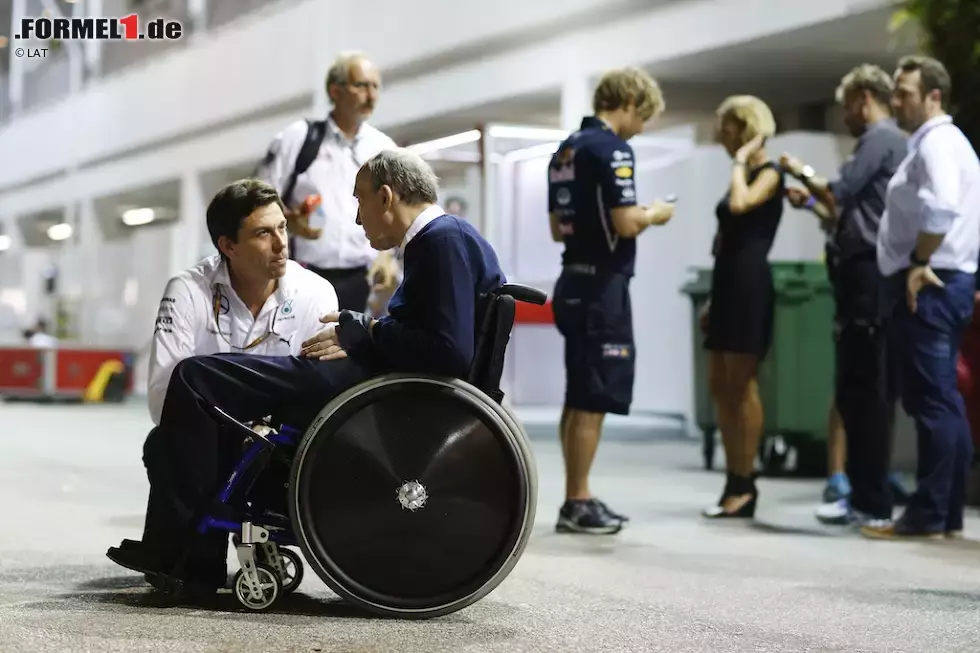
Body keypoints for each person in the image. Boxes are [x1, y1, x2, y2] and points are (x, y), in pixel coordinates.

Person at [107, 148, 506, 591]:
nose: (356, 218)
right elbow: (435, 338)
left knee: (194, 378)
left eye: (359, 200)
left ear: (387, 197)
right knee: (189, 402)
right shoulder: (443, 240)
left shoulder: (441, 241)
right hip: (379, 380)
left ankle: (175, 550)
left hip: (382, 389)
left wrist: (366, 330)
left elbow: (448, 351)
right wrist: (369, 333)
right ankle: (185, 552)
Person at [779, 63, 909, 528]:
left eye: (847, 105)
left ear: (863, 99)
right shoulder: (883, 143)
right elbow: (842, 210)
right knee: (856, 390)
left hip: (869, 279)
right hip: (858, 278)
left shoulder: (880, 139)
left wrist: (802, 171)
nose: (845, 116)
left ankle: (872, 502)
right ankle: (863, 496)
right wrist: (812, 203)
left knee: (867, 390)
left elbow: (840, 190)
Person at [548, 67, 674, 535]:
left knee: (577, 389)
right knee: (593, 395)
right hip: (603, 287)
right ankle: (578, 500)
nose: (642, 127)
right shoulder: (614, 150)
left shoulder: (564, 150)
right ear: (629, 102)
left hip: (572, 280)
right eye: (644, 116)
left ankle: (575, 494)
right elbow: (624, 223)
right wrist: (656, 213)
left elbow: (555, 227)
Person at [861, 55, 980, 540]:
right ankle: (944, 513)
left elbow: (943, 208)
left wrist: (918, 262)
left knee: (932, 401)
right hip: (947, 280)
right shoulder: (943, 143)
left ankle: (929, 515)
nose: (896, 100)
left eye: (905, 91)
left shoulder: (937, 144)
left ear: (934, 96)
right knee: (942, 401)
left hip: (932, 283)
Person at [147, 179, 339, 426]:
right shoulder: (188, 291)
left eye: (282, 227)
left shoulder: (316, 291)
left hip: (283, 440)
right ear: (228, 246)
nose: (281, 244)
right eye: (263, 233)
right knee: (159, 446)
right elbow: (163, 400)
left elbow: (322, 393)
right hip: (210, 434)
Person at [255, 51, 400, 312]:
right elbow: (258, 200)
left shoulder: (383, 148)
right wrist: (289, 222)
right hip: (303, 273)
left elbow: (396, 212)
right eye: (361, 85)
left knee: (348, 350)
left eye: (376, 86)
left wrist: (387, 255)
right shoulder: (299, 139)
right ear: (335, 91)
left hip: (361, 279)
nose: (371, 94)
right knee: (304, 348)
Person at [701, 95, 784, 519]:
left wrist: (739, 164)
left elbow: (740, 205)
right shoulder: (745, 172)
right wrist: (714, 298)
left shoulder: (769, 173)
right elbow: (727, 236)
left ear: (742, 128)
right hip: (728, 284)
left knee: (742, 384)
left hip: (751, 285)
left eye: (724, 126)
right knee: (720, 384)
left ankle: (746, 482)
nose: (719, 134)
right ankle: (732, 478)